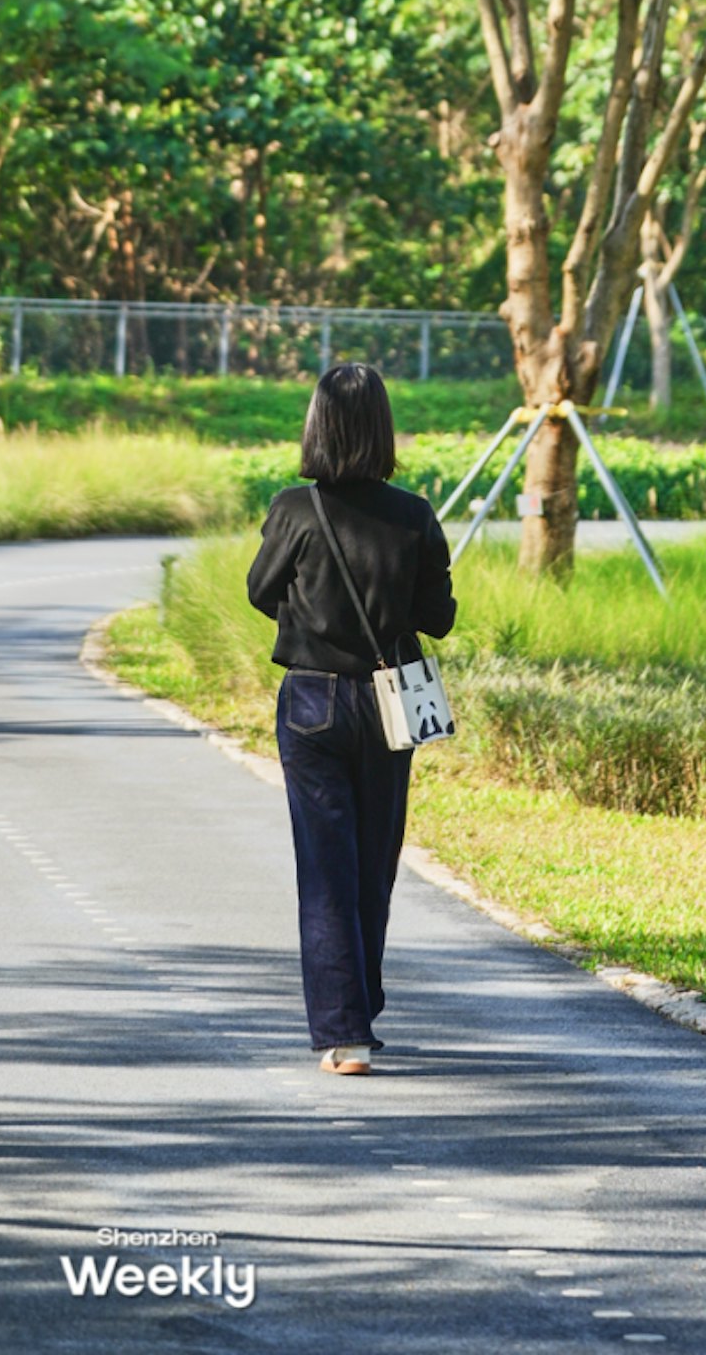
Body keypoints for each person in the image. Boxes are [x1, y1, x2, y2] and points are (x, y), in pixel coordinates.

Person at [246, 361, 455, 1075]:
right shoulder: (415, 515)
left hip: (311, 701)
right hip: (392, 702)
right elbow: (439, 618)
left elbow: (259, 591)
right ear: (382, 429)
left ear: (317, 426)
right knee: (374, 862)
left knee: (325, 868)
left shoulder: (293, 510)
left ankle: (346, 1034)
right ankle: (361, 1007)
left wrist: (312, 612)